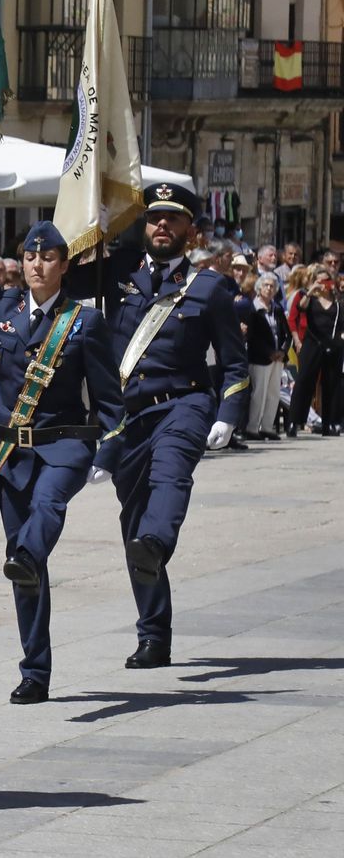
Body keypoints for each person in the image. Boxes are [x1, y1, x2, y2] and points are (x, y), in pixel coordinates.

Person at [0, 224, 124, 704]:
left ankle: (26, 556)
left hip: (64, 446)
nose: (37, 266)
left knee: (46, 508)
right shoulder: (0, 309)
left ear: (64, 265)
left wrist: (109, 451)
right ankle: (35, 671)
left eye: (47, 258)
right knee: (26, 567)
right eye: (29, 257)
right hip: (11, 455)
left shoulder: (84, 322)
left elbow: (109, 398)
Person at [94, 183, 248, 670]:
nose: (162, 225)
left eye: (173, 218)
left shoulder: (209, 288)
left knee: (170, 476)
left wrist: (228, 415)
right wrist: (89, 232)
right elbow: (62, 281)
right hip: (128, 416)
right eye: (155, 217)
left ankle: (159, 542)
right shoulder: (119, 273)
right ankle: (154, 635)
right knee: (133, 524)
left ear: (190, 230)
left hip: (184, 402)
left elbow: (234, 362)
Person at [286, 266, 341, 437]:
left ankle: (329, 424)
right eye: (320, 280)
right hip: (312, 343)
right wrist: (312, 290)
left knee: (331, 384)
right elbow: (300, 308)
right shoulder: (308, 297)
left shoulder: (337, 300)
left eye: (327, 280)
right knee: (304, 381)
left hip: (332, 344)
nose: (324, 284)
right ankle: (294, 421)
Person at [238, 272, 289, 442]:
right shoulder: (253, 309)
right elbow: (253, 337)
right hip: (260, 358)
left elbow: (286, 334)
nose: (269, 288)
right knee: (258, 393)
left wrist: (283, 351)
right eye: (266, 285)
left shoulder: (277, 309)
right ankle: (252, 428)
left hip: (278, 358)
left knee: (274, 393)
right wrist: (269, 352)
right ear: (259, 288)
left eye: (272, 286)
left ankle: (267, 428)